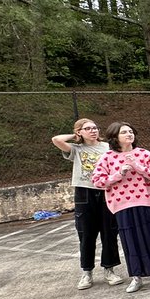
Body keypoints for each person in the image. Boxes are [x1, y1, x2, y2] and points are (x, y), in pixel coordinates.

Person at [91, 122, 150, 293]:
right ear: (115, 137)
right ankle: (136, 277)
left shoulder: (143, 153)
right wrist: (118, 174)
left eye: (131, 131)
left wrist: (139, 167)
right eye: (124, 132)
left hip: (147, 201)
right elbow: (97, 181)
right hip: (122, 206)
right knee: (131, 241)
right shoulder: (107, 157)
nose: (129, 134)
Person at [51, 117, 124, 289]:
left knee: (110, 231)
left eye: (95, 128)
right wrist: (76, 137)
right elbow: (56, 140)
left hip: (106, 190)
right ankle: (87, 272)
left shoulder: (107, 147)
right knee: (86, 234)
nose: (93, 131)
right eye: (88, 128)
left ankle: (109, 270)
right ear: (79, 132)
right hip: (84, 192)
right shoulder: (76, 149)